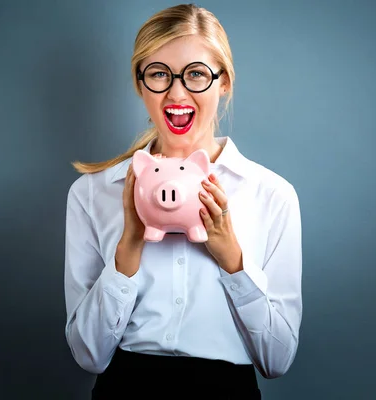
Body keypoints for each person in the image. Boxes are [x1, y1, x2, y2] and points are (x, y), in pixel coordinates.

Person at [64, 4, 302, 399]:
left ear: (223, 81)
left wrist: (233, 260)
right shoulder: (92, 193)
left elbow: (276, 361)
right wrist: (129, 249)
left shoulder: (272, 195)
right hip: (126, 390)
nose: (176, 93)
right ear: (140, 84)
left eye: (195, 74)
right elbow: (89, 355)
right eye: (159, 74)